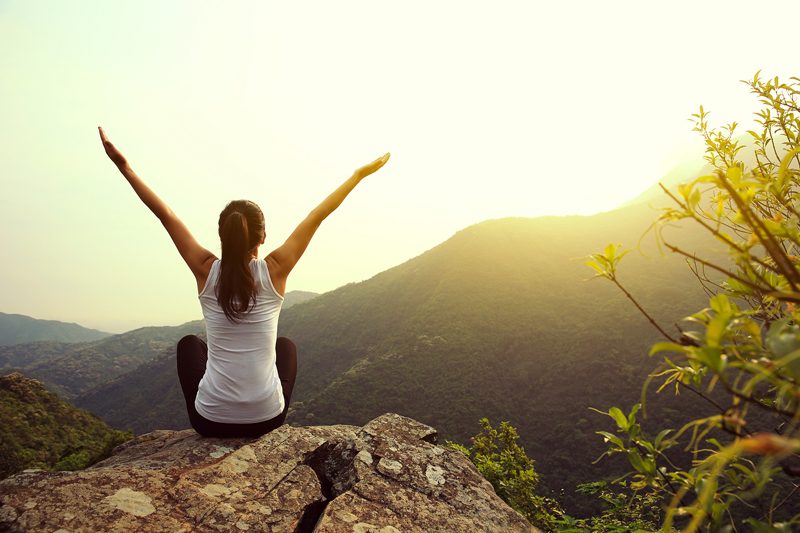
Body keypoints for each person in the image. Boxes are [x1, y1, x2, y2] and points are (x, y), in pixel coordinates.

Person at [98, 126, 390, 438]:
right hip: (266, 420)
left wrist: (124, 167)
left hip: (209, 422)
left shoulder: (205, 269)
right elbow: (316, 216)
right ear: (262, 236)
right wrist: (358, 175)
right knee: (286, 347)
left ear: (222, 235)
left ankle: (219, 401)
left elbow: (166, 215)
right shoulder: (275, 269)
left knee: (190, 345)